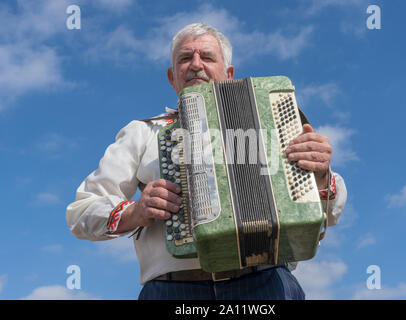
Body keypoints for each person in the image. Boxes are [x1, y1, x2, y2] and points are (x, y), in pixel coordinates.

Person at [66, 23, 347, 300]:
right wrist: (136, 211)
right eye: (185, 58)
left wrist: (320, 175)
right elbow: (81, 211)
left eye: (207, 57)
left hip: (267, 283)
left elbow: (331, 214)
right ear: (171, 76)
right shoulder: (142, 132)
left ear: (229, 73)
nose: (196, 65)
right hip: (172, 291)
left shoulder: (273, 122)